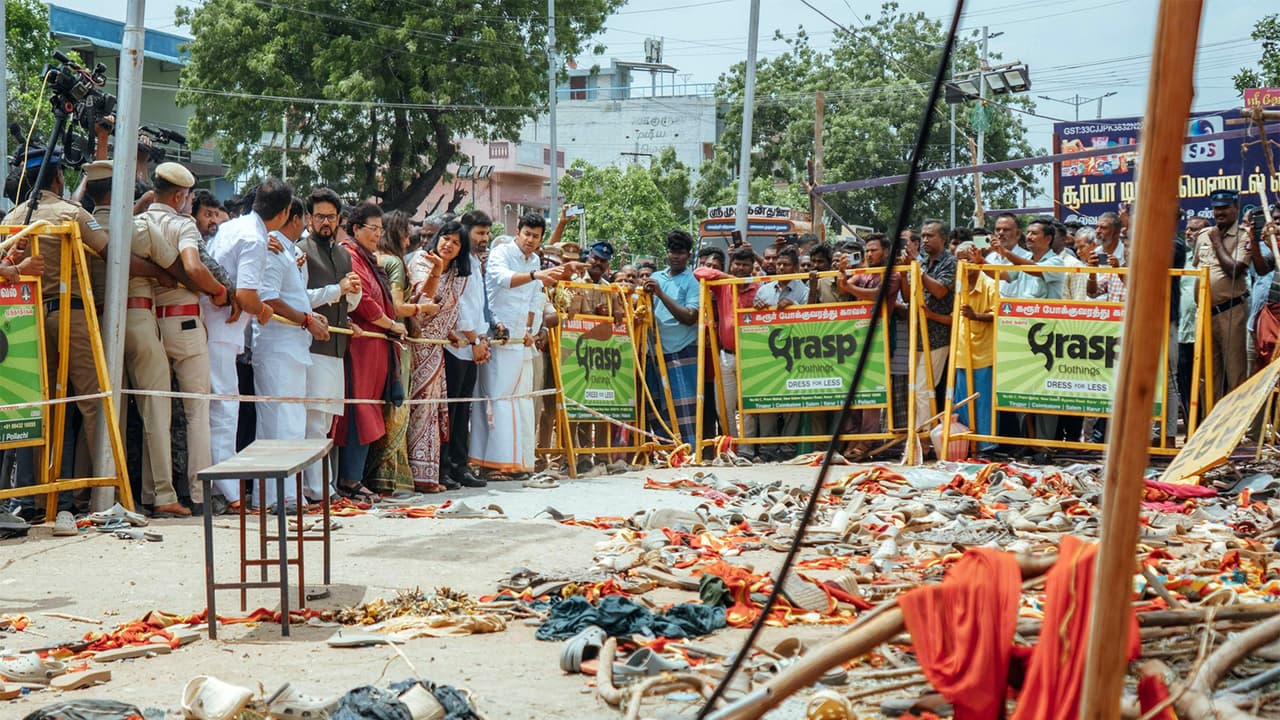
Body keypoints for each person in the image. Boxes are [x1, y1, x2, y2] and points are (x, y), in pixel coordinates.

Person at [82, 160, 188, 516]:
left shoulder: (81, 224)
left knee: (102, 410)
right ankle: (162, 496)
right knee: (155, 408)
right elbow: (178, 269)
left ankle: (96, 492)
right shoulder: (135, 226)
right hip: (138, 318)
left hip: (96, 324)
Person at [203, 178, 290, 505]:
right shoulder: (255, 238)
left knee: (219, 406)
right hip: (221, 329)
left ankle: (220, 485)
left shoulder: (235, 226)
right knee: (224, 408)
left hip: (217, 326)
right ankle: (227, 488)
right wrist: (263, 309)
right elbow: (246, 294)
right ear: (282, 214)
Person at [470, 214, 565, 478]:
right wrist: (536, 274)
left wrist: (530, 331)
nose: (531, 240)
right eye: (527, 234)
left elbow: (533, 298)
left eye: (536, 236)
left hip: (518, 341)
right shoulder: (501, 253)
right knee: (496, 400)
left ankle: (511, 463)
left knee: (513, 402)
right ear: (518, 232)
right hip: (495, 336)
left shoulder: (534, 260)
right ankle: (491, 465)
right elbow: (503, 280)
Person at [254, 197, 330, 510]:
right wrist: (307, 320)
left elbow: (293, 297)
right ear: (294, 218)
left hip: (292, 348)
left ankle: (285, 494)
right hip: (277, 349)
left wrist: (312, 317)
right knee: (280, 425)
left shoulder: (288, 251)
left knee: (291, 424)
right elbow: (268, 298)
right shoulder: (273, 248)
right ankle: (279, 496)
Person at [335, 202, 406, 502]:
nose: (378, 235)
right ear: (355, 229)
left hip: (378, 344)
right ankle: (349, 480)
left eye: (380, 229)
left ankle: (356, 477)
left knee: (370, 409)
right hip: (362, 345)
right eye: (372, 229)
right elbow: (364, 303)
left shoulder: (370, 259)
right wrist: (392, 324)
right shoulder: (350, 255)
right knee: (358, 410)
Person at [297, 188, 362, 503]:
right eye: (320, 216)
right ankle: (317, 489)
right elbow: (299, 299)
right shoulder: (300, 251)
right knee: (314, 421)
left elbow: (348, 302)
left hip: (337, 348)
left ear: (339, 220)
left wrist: (351, 293)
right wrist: (337, 290)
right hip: (312, 346)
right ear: (309, 217)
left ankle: (323, 487)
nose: (325, 222)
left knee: (325, 423)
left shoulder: (344, 253)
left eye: (331, 217)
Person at [406, 221, 471, 491]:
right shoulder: (422, 260)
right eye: (446, 238)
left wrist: (451, 331)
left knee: (434, 413)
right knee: (420, 410)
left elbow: (449, 310)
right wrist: (436, 271)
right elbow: (424, 303)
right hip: (418, 346)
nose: (448, 245)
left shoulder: (458, 273)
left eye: (456, 242)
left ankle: (432, 474)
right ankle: (418, 476)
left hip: (438, 349)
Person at [364, 210, 425, 494]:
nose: (408, 237)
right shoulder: (394, 264)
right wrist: (421, 309)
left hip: (379, 340)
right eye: (406, 231)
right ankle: (388, 477)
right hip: (396, 340)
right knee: (396, 409)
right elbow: (398, 307)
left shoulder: (374, 260)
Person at [439, 211, 492, 489]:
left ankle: (460, 466)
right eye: (479, 233)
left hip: (472, 345)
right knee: (449, 412)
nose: (484, 239)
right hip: (456, 345)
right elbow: (458, 307)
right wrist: (473, 340)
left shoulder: (473, 262)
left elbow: (477, 305)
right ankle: (445, 467)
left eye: (487, 233)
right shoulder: (457, 265)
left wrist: (482, 339)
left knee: (463, 411)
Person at [836, 234, 901, 460]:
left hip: (879, 339)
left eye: (874, 250)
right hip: (854, 339)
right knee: (852, 390)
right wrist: (843, 273)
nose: (869, 254)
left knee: (871, 392)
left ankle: (866, 441)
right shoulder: (862, 273)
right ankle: (852, 437)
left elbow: (878, 295)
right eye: (867, 251)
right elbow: (843, 288)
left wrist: (848, 285)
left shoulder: (893, 274)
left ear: (885, 251)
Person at [694, 246, 759, 443]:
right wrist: (728, 277)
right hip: (725, 355)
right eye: (737, 264)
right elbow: (699, 272)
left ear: (751, 268)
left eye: (745, 265)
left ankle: (747, 448)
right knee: (724, 407)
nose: (740, 268)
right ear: (731, 265)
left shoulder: (757, 287)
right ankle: (732, 446)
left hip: (749, 355)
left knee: (747, 407)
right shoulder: (724, 285)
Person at [644, 230, 701, 447]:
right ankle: (666, 450)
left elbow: (689, 317)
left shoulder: (692, 281)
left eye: (680, 253)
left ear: (688, 254)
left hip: (681, 349)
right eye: (672, 252)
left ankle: (688, 450)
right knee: (657, 406)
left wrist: (660, 294)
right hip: (654, 350)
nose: (675, 256)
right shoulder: (656, 277)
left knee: (682, 406)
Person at [1193, 188, 1249, 400]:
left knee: (1235, 374)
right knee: (1207, 375)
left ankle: (1237, 430)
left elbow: (1234, 271)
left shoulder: (1243, 236)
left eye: (1225, 208)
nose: (1219, 213)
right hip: (1205, 313)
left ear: (1236, 208)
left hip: (1230, 311)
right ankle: (1211, 426)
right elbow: (1198, 268)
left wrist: (1217, 242)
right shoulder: (1202, 236)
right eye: (1216, 209)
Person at [907, 220, 957, 447]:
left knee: (922, 389)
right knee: (915, 390)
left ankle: (924, 441)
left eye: (930, 236)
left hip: (938, 336)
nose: (925, 240)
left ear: (943, 239)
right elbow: (909, 295)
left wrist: (917, 269)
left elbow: (939, 291)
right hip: (917, 335)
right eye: (923, 236)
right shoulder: (924, 262)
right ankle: (917, 439)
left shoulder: (950, 262)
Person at [952, 242, 999, 456]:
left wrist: (975, 316)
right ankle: (966, 445)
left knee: (983, 405)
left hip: (983, 353)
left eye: (967, 259)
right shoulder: (959, 284)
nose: (963, 264)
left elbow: (999, 314)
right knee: (961, 403)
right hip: (961, 352)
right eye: (959, 260)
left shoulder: (989, 283)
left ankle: (985, 447)